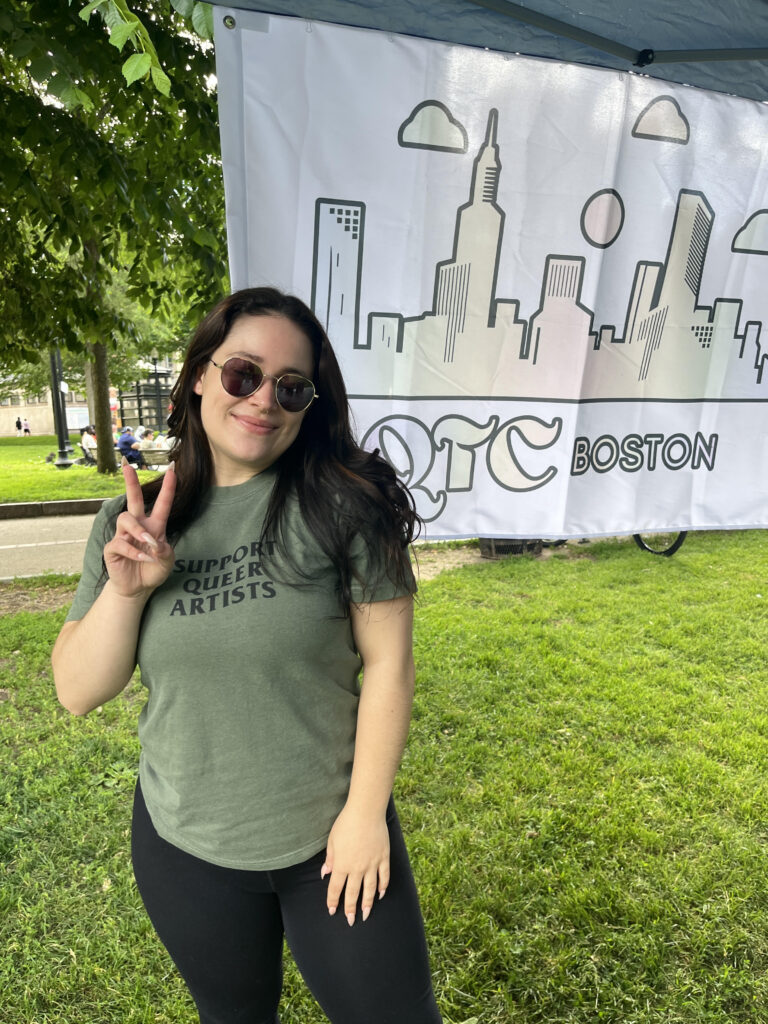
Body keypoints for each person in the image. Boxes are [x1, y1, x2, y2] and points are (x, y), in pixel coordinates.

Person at [52, 287, 442, 1024]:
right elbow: (76, 690)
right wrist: (128, 591)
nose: (265, 399)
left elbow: (390, 665)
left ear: (309, 404)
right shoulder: (132, 521)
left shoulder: (343, 506)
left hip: (331, 840)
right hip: (186, 847)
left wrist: (365, 818)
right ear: (199, 374)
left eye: (292, 387)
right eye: (243, 374)